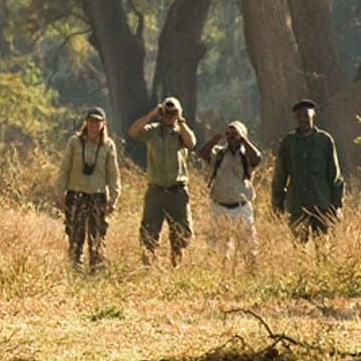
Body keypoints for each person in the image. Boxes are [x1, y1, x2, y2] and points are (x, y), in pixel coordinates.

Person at [128, 96, 197, 266]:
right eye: (166, 112)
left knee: (180, 235)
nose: (169, 116)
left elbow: (192, 143)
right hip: (155, 191)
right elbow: (133, 132)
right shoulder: (152, 131)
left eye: (172, 112)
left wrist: (180, 120)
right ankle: (148, 267)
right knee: (149, 233)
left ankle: (177, 266)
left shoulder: (181, 132)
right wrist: (152, 113)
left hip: (177, 191)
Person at [55, 107, 121, 270]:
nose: (93, 125)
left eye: (97, 121)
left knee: (97, 234)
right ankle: (75, 266)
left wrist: (114, 199)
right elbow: (64, 169)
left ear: (103, 124)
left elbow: (113, 174)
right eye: (91, 121)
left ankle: (96, 268)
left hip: (98, 195)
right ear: (86, 122)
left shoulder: (108, 145)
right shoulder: (74, 142)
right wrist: (59, 194)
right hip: (76, 193)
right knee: (75, 233)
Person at [272, 99, 345, 242]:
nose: (302, 119)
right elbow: (280, 174)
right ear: (295, 118)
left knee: (323, 248)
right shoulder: (288, 142)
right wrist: (277, 203)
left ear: (313, 115)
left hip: (321, 204)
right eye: (299, 116)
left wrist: (337, 205)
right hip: (298, 205)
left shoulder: (325, 140)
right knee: (299, 249)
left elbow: (335, 175)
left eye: (306, 115)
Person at [195, 120, 262, 268]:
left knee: (248, 245)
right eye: (229, 133)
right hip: (220, 206)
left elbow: (257, 159)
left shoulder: (246, 156)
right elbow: (202, 153)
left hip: (241, 207)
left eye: (235, 134)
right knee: (218, 245)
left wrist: (243, 139)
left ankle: (251, 272)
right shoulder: (218, 153)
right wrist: (217, 137)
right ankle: (221, 272)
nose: (232, 136)